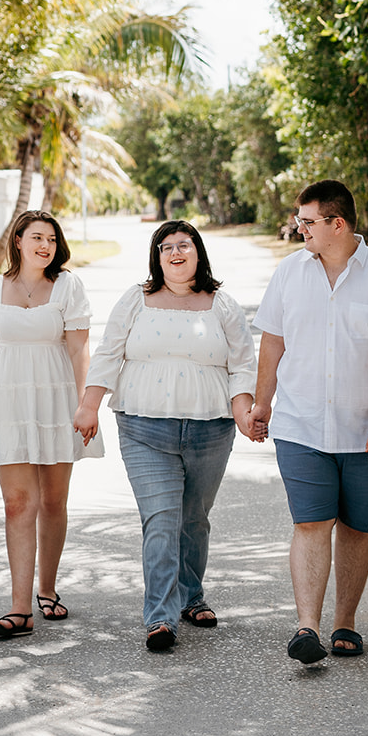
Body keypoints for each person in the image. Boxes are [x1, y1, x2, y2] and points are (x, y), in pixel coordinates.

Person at [249, 179, 368, 664]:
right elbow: (273, 341)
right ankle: (307, 627)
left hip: (365, 430)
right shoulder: (289, 273)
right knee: (310, 522)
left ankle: (345, 622)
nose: (298, 228)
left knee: (356, 526)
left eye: (306, 221)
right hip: (300, 426)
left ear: (336, 224)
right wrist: (264, 402)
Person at [74, 220, 258, 652]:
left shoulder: (222, 304)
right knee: (161, 519)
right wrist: (89, 404)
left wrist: (242, 410)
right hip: (143, 427)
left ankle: (191, 596)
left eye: (184, 245)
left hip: (210, 429)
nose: (175, 253)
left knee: (193, 519)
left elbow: (243, 364)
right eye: (166, 247)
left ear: (198, 253)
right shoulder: (137, 299)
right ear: (157, 257)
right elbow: (108, 352)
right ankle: (160, 615)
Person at [0, 209, 102, 639]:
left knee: (53, 501)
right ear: (18, 240)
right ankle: (19, 608)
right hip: (9, 400)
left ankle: (48, 588)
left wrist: (86, 404)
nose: (45, 246)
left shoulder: (67, 286)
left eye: (52, 240)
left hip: (57, 398)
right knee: (17, 503)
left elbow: (80, 350)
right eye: (37, 237)